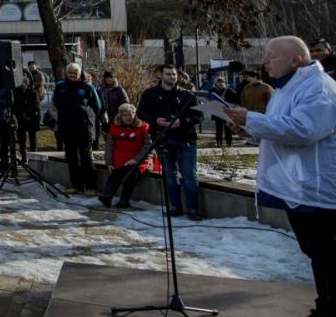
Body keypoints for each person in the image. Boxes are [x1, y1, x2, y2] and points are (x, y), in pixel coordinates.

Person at [224, 37, 336, 317]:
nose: (266, 62)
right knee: (316, 253)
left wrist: (252, 119)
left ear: (296, 60)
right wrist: (250, 130)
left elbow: (303, 130)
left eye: (272, 56)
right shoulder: (288, 89)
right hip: (299, 186)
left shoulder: (321, 89)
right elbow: (281, 127)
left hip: (320, 188)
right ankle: (325, 315)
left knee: (331, 258)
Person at [136, 65, 203, 219]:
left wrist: (182, 121)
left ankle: (192, 209)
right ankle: (174, 207)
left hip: (185, 139)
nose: (172, 77)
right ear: (161, 75)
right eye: (168, 74)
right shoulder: (150, 94)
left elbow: (199, 116)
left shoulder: (186, 95)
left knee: (189, 175)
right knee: (169, 176)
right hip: (162, 138)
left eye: (174, 74)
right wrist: (155, 120)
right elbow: (141, 113)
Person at [52, 65, 103, 196]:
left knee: (86, 158)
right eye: (70, 72)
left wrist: (86, 116)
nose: (72, 75)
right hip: (67, 127)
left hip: (85, 128)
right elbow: (56, 103)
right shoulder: (60, 87)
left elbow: (98, 107)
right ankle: (76, 185)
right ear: (66, 73)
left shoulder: (88, 87)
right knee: (71, 157)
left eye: (75, 73)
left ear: (80, 74)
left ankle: (92, 186)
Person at [98, 104, 154, 208]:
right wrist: (109, 162)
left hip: (139, 160)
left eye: (130, 114)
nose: (128, 117)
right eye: (125, 115)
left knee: (130, 175)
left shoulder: (144, 127)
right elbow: (109, 146)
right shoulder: (115, 128)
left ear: (135, 114)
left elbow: (148, 147)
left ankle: (124, 200)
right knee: (115, 174)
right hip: (120, 160)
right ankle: (107, 197)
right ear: (120, 116)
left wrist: (136, 160)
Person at [207, 73, 239, 146]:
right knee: (219, 128)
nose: (221, 83)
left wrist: (227, 100)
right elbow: (209, 99)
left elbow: (235, 99)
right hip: (217, 112)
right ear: (215, 83)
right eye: (219, 82)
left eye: (222, 82)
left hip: (227, 111)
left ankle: (229, 142)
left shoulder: (228, 91)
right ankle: (219, 142)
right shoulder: (212, 91)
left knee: (228, 128)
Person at [13, 77, 41, 154]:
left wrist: (28, 114)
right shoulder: (18, 92)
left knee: (32, 137)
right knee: (22, 139)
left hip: (31, 118)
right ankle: (23, 155)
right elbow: (16, 104)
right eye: (23, 82)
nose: (24, 83)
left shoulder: (33, 92)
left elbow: (36, 105)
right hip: (21, 118)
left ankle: (34, 153)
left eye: (26, 82)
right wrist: (21, 113)